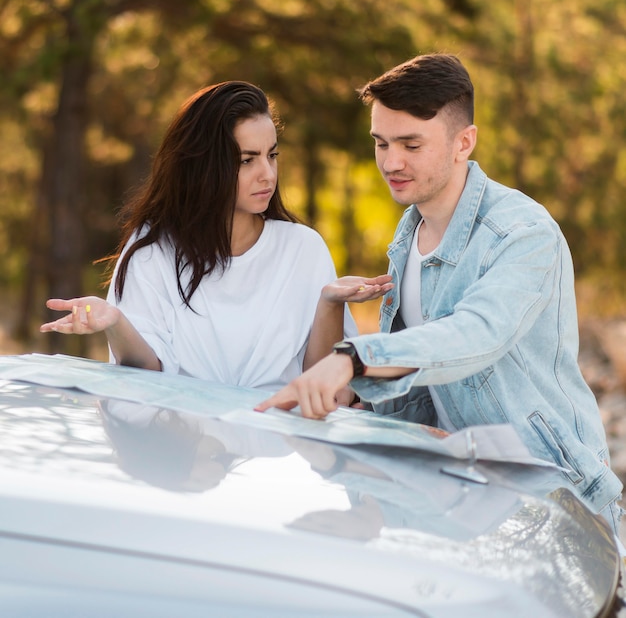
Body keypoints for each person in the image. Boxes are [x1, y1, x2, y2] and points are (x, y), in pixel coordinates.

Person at [255, 54, 623, 531]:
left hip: (552, 503)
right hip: (461, 501)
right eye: (381, 143)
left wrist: (355, 358)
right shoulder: (408, 237)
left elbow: (474, 335)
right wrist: (370, 507)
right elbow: (423, 396)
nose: (391, 162)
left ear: (462, 142)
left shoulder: (524, 233)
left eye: (411, 144)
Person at [40, 81, 392, 392]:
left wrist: (329, 303)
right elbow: (146, 378)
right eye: (246, 160)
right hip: (183, 455)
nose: (267, 174)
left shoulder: (303, 249)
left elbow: (329, 393)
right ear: (205, 164)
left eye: (272, 155)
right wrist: (115, 322)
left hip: (278, 458)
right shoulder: (152, 251)